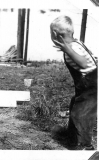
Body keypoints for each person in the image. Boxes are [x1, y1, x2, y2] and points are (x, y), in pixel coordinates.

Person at [50, 15, 97, 150]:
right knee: (74, 104)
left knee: (81, 113)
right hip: (89, 83)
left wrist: (68, 51)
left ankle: (84, 144)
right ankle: (72, 135)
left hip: (91, 85)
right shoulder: (77, 43)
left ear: (54, 34)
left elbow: (83, 63)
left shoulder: (71, 48)